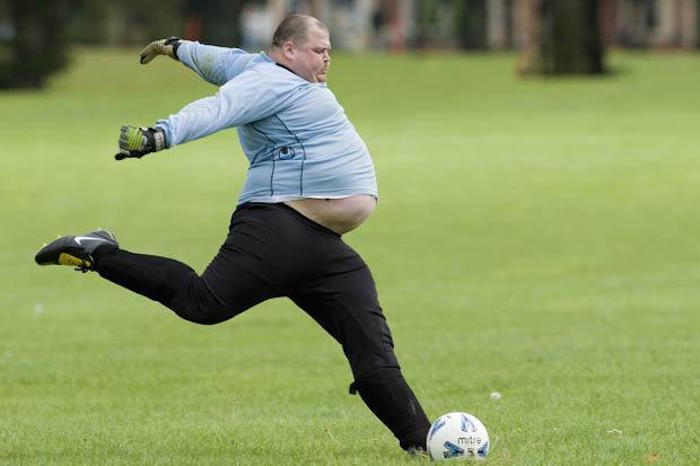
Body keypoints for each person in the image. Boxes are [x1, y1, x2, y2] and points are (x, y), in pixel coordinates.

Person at [35, 14, 430, 453]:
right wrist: (159, 135)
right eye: (320, 50)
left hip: (322, 248)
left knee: (373, 350)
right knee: (202, 303)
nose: (328, 59)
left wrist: (177, 47)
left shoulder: (262, 70)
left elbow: (221, 60)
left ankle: (422, 444)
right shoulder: (270, 83)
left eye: (330, 50)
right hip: (278, 228)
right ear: (289, 50)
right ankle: (98, 253)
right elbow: (217, 109)